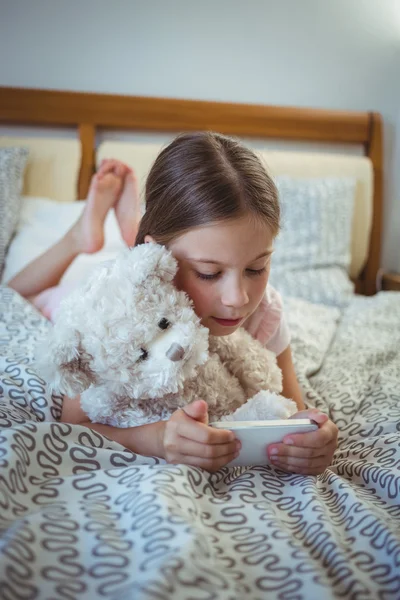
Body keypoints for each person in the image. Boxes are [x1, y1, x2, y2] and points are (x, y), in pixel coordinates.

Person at [8, 133, 338, 474]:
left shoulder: (264, 311)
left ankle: (130, 229)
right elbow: (73, 427)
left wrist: (314, 437)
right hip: (99, 289)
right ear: (159, 256)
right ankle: (81, 236)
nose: (238, 299)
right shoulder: (117, 311)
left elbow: (296, 410)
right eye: (209, 273)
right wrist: (153, 438)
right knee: (17, 295)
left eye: (256, 268)